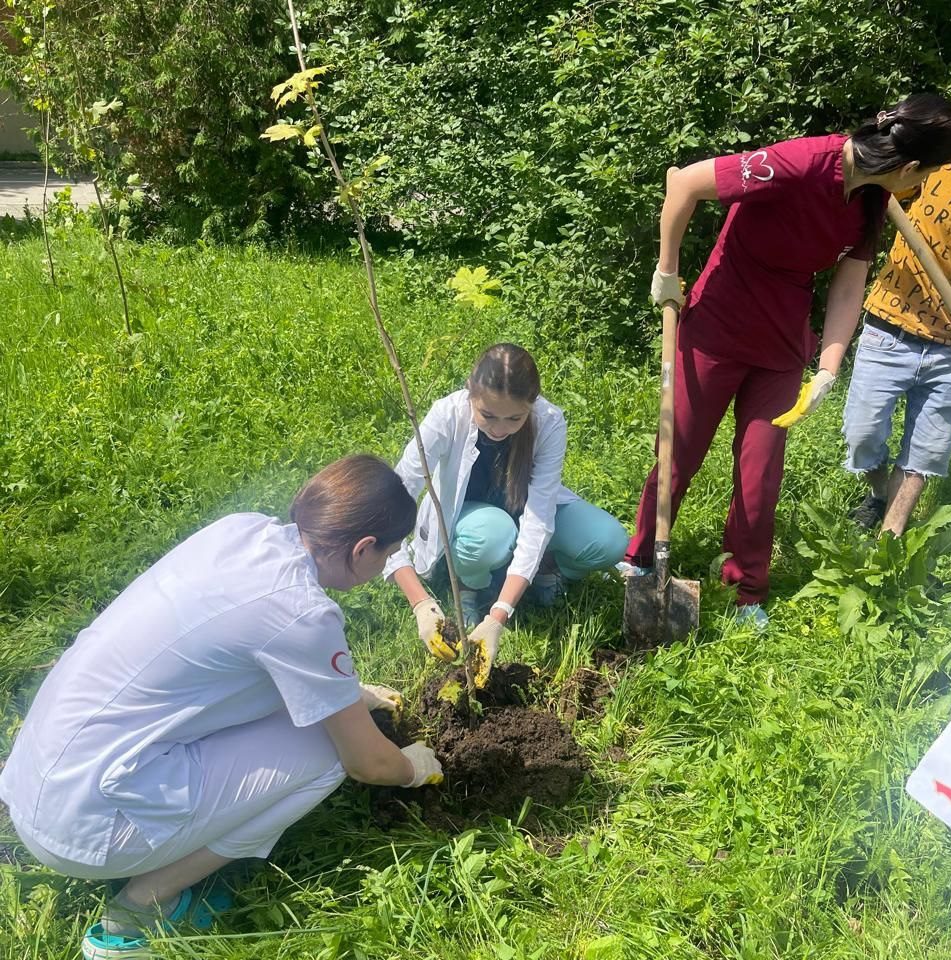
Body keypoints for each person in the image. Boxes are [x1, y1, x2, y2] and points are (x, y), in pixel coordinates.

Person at [0, 455, 442, 960]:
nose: (383, 566)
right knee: (328, 753)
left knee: (321, 725)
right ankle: (136, 912)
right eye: (385, 556)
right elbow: (368, 763)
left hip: (41, 773)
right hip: (85, 825)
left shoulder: (240, 531)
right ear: (363, 549)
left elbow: (237, 651)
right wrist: (412, 769)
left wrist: (347, 693)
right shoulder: (303, 614)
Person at [622, 93, 951, 629]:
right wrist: (667, 271)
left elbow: (848, 287)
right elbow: (684, 182)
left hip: (781, 347)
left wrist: (828, 366)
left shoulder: (871, 199)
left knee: (759, 478)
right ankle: (639, 559)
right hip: (717, 327)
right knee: (678, 449)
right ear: (911, 168)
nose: (920, 188)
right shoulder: (799, 163)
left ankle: (747, 591)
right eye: (928, 175)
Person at [386, 343, 628, 685]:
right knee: (491, 534)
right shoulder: (446, 416)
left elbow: (541, 514)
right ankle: (471, 584)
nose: (499, 429)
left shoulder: (548, 422)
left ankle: (545, 569)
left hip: (519, 512)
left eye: (515, 418)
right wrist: (421, 604)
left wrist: (499, 616)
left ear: (531, 406)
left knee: (608, 540)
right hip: (476, 522)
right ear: (470, 390)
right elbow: (392, 501)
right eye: (488, 415)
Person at [844, 161, 951, 534]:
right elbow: (882, 186)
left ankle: (889, 542)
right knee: (861, 434)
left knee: (926, 451)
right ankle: (879, 495)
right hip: (890, 326)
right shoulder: (943, 161)